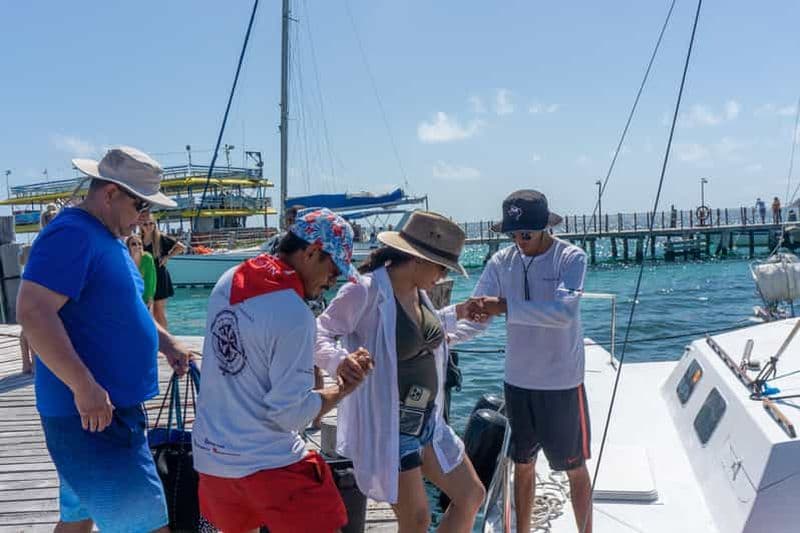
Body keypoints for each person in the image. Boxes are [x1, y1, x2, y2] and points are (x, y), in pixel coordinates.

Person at [16, 146, 194, 533]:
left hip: (101, 412)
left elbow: (123, 307)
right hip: (93, 416)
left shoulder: (106, 235)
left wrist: (165, 341)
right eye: (141, 206)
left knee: (77, 518)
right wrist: (83, 386)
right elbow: (32, 312)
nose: (145, 218)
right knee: (147, 526)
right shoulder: (71, 234)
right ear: (111, 193)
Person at [192, 207, 371, 533]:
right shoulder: (293, 313)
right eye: (334, 270)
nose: (333, 282)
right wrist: (342, 388)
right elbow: (290, 415)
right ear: (312, 252)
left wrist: (334, 363)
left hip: (211, 458)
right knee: (329, 522)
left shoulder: (229, 279)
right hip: (266, 462)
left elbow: (256, 347)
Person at [316, 211, 486, 532]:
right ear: (417, 259)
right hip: (391, 426)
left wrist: (460, 312)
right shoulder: (365, 291)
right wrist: (340, 362)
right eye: (441, 267)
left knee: (471, 495)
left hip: (428, 422)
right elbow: (319, 332)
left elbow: (422, 337)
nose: (442, 275)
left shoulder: (419, 293)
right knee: (417, 519)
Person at [462, 190, 592, 533]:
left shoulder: (571, 258)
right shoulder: (500, 262)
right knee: (522, 463)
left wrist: (504, 306)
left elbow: (565, 313)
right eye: (513, 234)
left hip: (561, 381)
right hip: (517, 380)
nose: (520, 240)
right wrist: (442, 338)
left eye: (527, 234)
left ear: (545, 228)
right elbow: (477, 312)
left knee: (575, 467)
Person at [18, 203, 61, 374]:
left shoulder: (38, 241)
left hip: (33, 283)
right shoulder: (50, 240)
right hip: (42, 285)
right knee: (36, 323)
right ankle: (32, 362)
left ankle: (29, 362)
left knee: (31, 324)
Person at [140, 210, 185, 328]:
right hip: (145, 279)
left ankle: (165, 341)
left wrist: (167, 257)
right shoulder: (138, 241)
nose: (149, 226)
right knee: (147, 312)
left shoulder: (161, 238)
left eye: (151, 223)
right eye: (145, 224)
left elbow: (181, 247)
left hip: (160, 277)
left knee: (159, 312)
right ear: (140, 225)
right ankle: (155, 339)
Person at [126, 235, 157, 311]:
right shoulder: (126, 259)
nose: (137, 246)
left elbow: (151, 279)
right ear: (128, 247)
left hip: (145, 296)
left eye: (139, 244)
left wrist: (150, 297)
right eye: (133, 244)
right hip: (130, 296)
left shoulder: (147, 258)